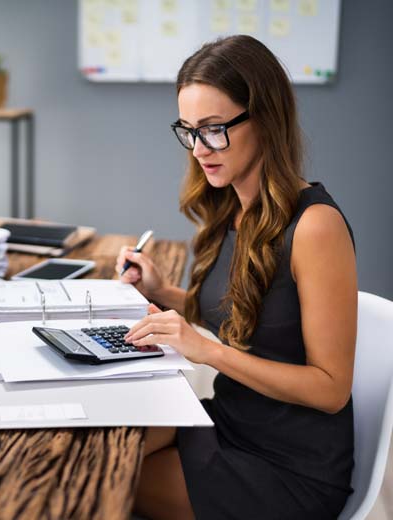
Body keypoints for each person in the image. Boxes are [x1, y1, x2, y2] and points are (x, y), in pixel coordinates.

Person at [116, 35, 356, 520]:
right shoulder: (234, 208)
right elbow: (249, 318)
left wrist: (208, 351)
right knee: (102, 445)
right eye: (188, 130)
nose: (200, 149)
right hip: (230, 421)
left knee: (107, 479)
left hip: (288, 468)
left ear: (264, 118)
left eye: (214, 128)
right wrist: (162, 292)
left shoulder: (315, 226)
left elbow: (331, 389)